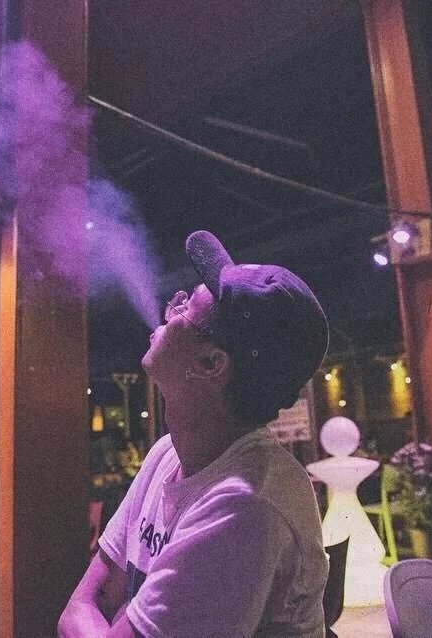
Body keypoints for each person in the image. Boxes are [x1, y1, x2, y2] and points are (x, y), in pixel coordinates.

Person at [59, 230, 330, 637]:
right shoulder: (165, 455)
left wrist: (118, 617)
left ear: (210, 364)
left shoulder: (244, 506)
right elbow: (79, 606)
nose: (171, 307)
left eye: (186, 306)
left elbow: (88, 611)